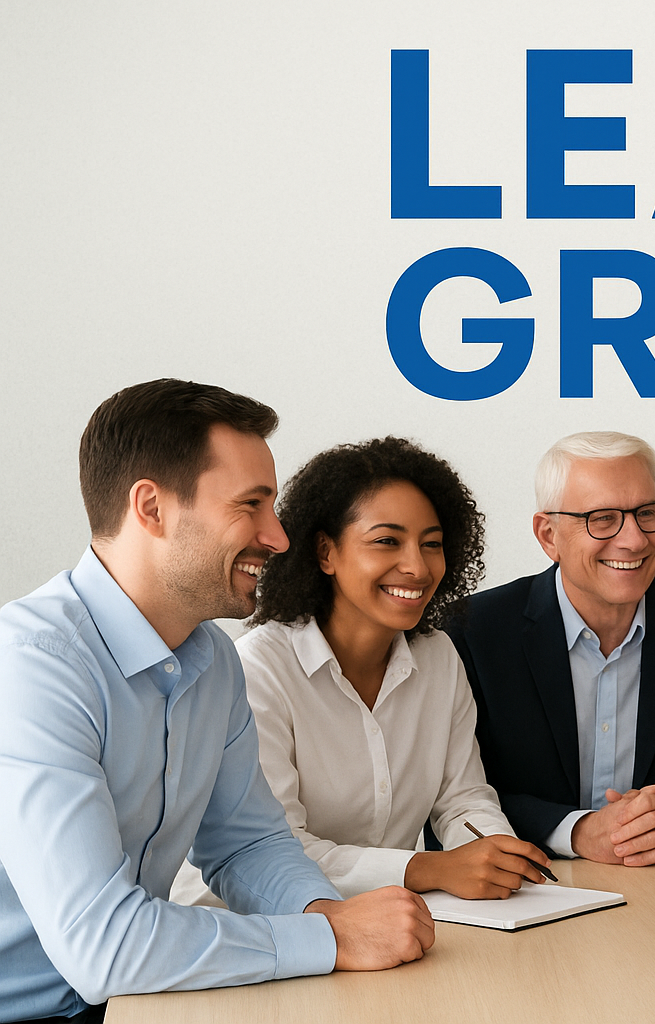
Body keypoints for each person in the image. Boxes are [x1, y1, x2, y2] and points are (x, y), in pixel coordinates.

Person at [0, 380, 433, 1023]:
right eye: (251, 505)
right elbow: (105, 950)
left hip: (132, 1001)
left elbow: (246, 845)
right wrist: (330, 939)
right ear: (151, 508)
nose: (279, 537)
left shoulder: (214, 659)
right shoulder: (33, 667)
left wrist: (326, 916)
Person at [171, 437, 551, 905]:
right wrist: (428, 867)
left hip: (378, 922)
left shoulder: (437, 657)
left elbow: (463, 800)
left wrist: (495, 857)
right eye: (387, 541)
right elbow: (274, 850)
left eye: (431, 544)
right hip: (248, 926)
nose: (417, 566)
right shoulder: (259, 668)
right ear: (326, 552)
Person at [450, 431, 655, 865]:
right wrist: (576, 831)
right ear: (548, 534)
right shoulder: (474, 631)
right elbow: (455, 796)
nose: (634, 540)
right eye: (603, 518)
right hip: (527, 886)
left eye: (646, 512)